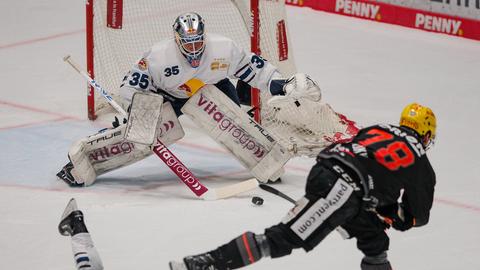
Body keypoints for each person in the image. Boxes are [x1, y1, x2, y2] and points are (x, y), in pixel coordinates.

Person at [56, 12, 320, 187]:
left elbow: (253, 67)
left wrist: (280, 84)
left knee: (233, 124)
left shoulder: (223, 48)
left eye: (197, 42)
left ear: (203, 37)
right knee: (140, 135)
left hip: (212, 87)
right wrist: (134, 109)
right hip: (169, 96)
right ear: (177, 39)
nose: (193, 49)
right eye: (188, 43)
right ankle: (86, 160)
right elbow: (131, 84)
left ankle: (268, 163)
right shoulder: (159, 57)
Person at [167, 102, 437, 270]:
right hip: (342, 189)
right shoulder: (421, 161)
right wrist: (393, 214)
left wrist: (379, 208)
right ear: (425, 135)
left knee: (374, 237)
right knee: (285, 237)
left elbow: (364, 159)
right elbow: (415, 216)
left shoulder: (380, 128)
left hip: (331, 173)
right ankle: (206, 264)